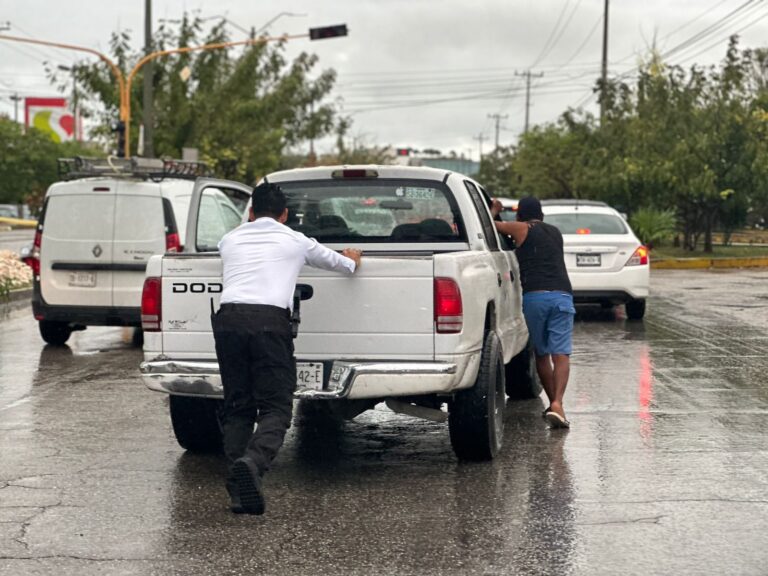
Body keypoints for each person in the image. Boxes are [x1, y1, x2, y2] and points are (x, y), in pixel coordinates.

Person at [213, 182, 362, 515]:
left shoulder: (230, 238)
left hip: (228, 321)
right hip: (268, 322)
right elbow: (341, 264)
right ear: (285, 215)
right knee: (276, 407)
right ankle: (253, 462)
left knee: (237, 406)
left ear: (250, 212)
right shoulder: (294, 239)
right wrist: (353, 259)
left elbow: (236, 248)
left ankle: (239, 489)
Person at [491, 196, 575, 429]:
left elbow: (490, 225)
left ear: (520, 215)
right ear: (542, 215)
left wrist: (495, 209)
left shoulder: (521, 227)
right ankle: (557, 404)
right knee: (561, 354)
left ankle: (555, 404)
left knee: (541, 354)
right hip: (562, 295)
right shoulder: (555, 232)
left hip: (536, 297)